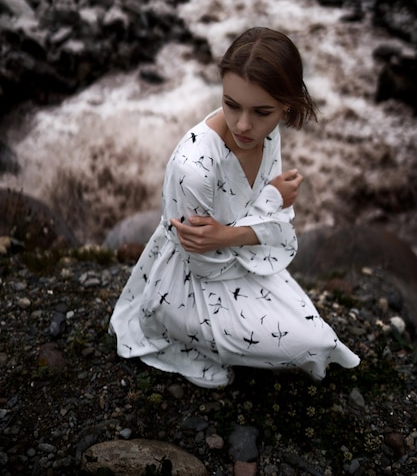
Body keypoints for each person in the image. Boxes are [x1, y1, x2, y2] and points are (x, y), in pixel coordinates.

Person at [109, 27, 360, 388]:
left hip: (242, 261)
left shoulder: (268, 132)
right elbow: (205, 263)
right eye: (231, 104)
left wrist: (231, 232)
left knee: (320, 339)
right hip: (187, 286)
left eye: (262, 111)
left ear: (285, 105)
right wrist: (259, 219)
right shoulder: (193, 168)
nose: (243, 125)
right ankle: (173, 336)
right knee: (308, 345)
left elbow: (267, 216)